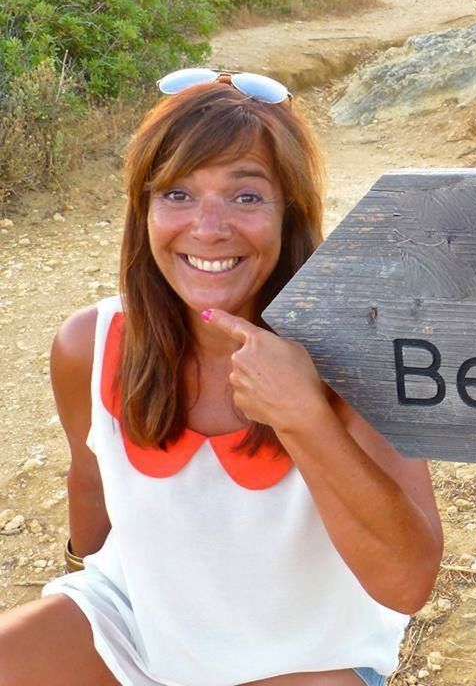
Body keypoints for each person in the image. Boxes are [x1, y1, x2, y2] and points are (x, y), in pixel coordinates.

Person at [0, 69, 444, 686]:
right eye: (177, 194)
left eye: (245, 196)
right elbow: (90, 484)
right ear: (144, 210)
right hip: (136, 629)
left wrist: (304, 416)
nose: (208, 228)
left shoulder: (354, 352)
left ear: (290, 213)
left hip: (307, 657)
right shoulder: (90, 343)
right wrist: (75, 579)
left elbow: (407, 583)